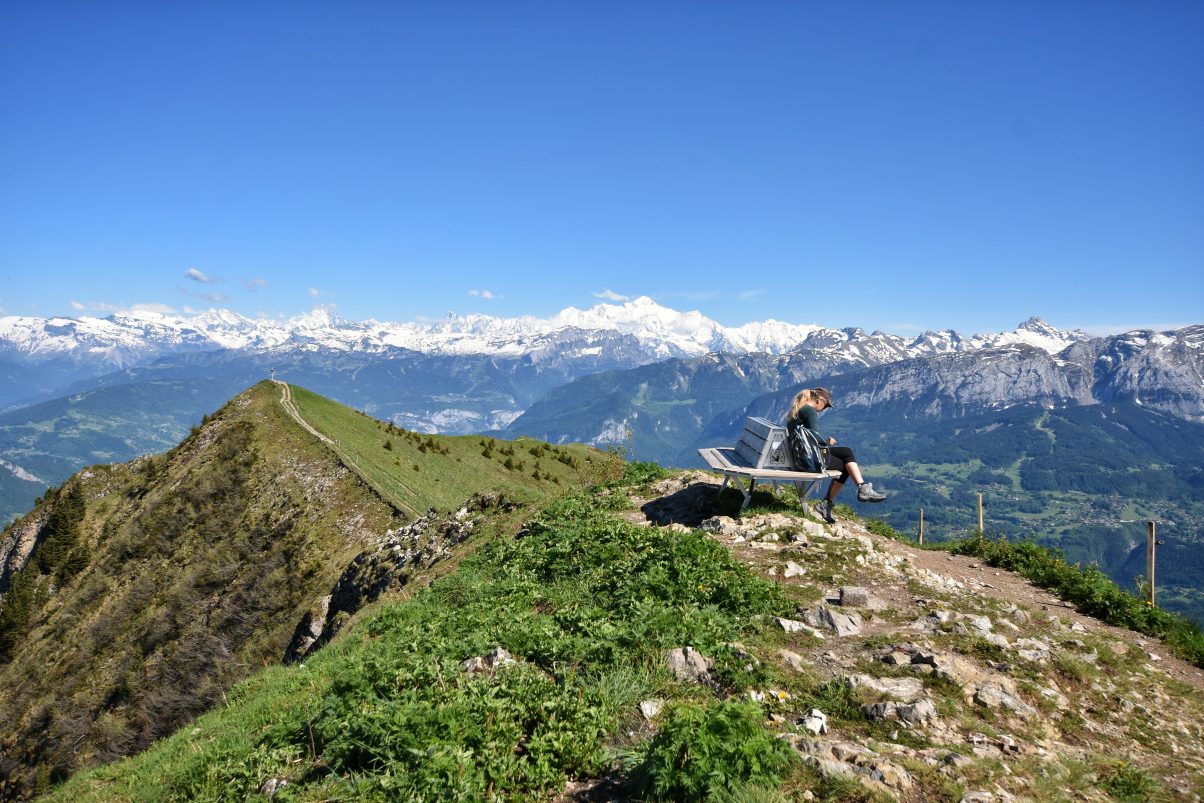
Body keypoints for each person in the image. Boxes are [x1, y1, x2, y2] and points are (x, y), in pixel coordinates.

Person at [785, 387, 886, 523]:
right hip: (806, 459)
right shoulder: (809, 411)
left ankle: (862, 487)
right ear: (819, 400)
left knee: (846, 452)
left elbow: (808, 438)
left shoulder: (800, 408)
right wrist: (827, 442)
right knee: (845, 466)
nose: (823, 409)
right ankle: (829, 502)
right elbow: (815, 439)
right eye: (826, 405)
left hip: (800, 454)